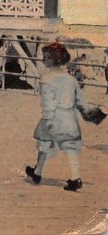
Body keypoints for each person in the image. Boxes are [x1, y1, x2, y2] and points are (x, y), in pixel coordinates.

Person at [25, 42, 99, 192]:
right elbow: (80, 100)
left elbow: (47, 103)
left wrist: (49, 120)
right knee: (70, 148)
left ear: (55, 60)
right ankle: (75, 178)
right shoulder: (71, 79)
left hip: (53, 118)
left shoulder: (46, 80)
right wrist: (88, 112)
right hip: (68, 118)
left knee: (44, 145)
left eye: (46, 58)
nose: (43, 60)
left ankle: (37, 172)